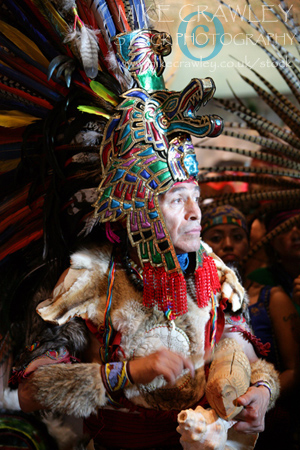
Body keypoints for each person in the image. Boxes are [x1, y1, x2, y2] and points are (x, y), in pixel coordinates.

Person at [202, 204, 300, 450]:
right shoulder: (193, 301)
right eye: (216, 237)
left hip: (265, 421)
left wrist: (260, 396)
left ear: (248, 244)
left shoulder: (271, 297)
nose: (227, 244)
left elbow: (293, 369)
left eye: (237, 237)